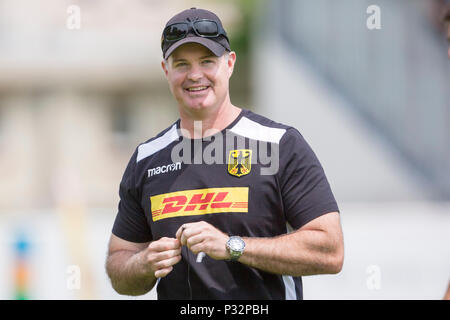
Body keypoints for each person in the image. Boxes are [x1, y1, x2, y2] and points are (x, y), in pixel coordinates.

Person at [105, 7, 344, 300]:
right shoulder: (146, 159)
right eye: (182, 64)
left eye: (207, 61)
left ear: (230, 64)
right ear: (166, 71)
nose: (195, 75)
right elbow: (119, 266)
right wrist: (142, 264)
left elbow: (330, 251)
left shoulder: (280, 144)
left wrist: (233, 247)